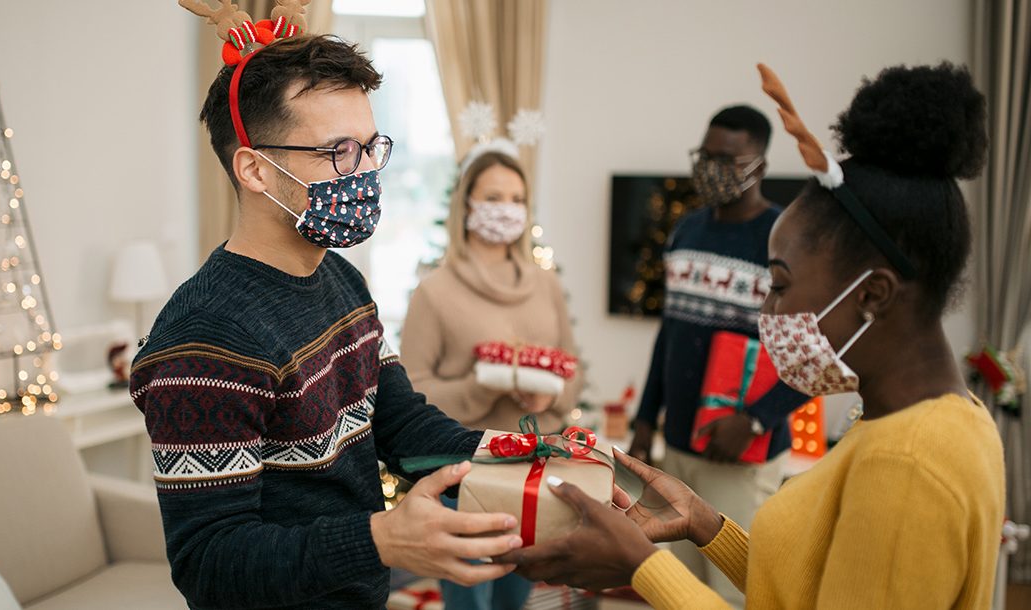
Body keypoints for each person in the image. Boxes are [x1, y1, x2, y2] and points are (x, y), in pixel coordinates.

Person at [501, 63, 1005, 610]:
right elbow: (799, 591)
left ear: (873, 294)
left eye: (780, 285)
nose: (769, 311)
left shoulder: (907, 466)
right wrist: (707, 526)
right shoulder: (931, 420)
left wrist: (640, 568)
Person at [130, 32, 525, 610]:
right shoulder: (205, 338)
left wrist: (522, 454)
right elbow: (210, 563)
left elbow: (401, 426)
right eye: (338, 152)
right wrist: (381, 538)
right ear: (255, 170)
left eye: (370, 148)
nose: (364, 172)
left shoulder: (342, 280)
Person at [629, 104, 808, 605]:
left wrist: (756, 419)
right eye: (706, 155)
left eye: (728, 159)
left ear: (760, 165)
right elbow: (670, 335)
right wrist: (646, 420)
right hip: (679, 447)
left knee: (736, 593)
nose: (712, 167)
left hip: (741, 457)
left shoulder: (786, 240)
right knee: (673, 590)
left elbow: (815, 352)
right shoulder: (686, 230)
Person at [401, 148, 582, 609]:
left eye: (517, 198)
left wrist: (546, 400)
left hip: (532, 473)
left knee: (513, 597)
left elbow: (573, 367)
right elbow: (411, 394)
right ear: (467, 205)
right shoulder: (435, 292)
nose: (507, 208)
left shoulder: (545, 284)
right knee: (468, 600)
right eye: (494, 197)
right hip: (468, 475)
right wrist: (484, 385)